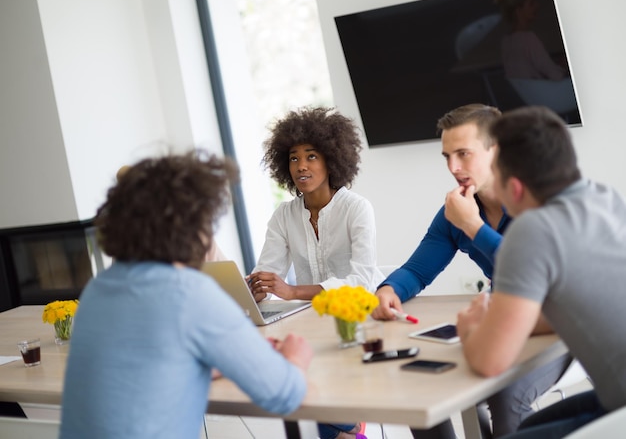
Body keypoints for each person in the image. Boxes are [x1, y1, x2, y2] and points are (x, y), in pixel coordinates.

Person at [60, 151, 313, 439]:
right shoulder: (191, 293)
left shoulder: (98, 289)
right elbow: (283, 394)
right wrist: (295, 358)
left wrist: (199, 364)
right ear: (193, 225)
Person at [371, 104, 571, 438]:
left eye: (463, 154)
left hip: (559, 324)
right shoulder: (459, 208)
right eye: (447, 156)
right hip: (506, 319)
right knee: (417, 382)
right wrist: (388, 291)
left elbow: (536, 270)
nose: (453, 167)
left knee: (507, 395)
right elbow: (418, 271)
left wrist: (474, 226)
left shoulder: (536, 195)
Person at [457, 105, 626, 438]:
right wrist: (504, 321)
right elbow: (576, 303)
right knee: (532, 426)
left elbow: (490, 361)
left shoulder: (532, 229)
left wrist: (472, 329)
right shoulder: (605, 198)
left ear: (515, 189)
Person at [248, 106, 380, 439]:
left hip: (358, 324)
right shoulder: (284, 215)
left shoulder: (356, 208)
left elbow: (362, 282)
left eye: (311, 156)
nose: (301, 166)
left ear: (332, 159)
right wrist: (255, 287)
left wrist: (292, 292)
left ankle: (348, 426)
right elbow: (269, 269)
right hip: (310, 327)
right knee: (293, 395)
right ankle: (348, 429)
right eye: (293, 158)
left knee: (301, 403)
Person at [495, 0, 567, 81]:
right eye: (531, 3)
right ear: (519, 10)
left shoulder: (506, 40)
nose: (537, 6)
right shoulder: (528, 38)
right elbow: (552, 72)